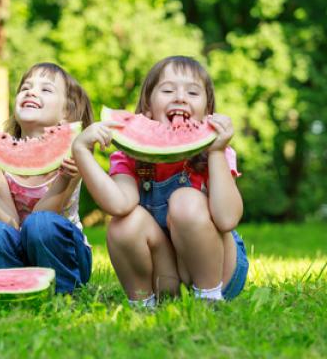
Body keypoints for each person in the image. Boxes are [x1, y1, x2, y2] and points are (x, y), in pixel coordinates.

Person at [72, 56, 248, 309]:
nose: (180, 97)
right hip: (168, 276)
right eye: (167, 90)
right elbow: (119, 204)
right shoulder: (128, 155)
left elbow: (227, 219)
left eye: (192, 92)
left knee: (185, 200)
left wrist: (218, 153)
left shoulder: (214, 151)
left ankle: (209, 299)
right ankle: (143, 304)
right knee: (123, 224)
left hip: (220, 272)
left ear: (208, 111)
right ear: (147, 108)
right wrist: (81, 151)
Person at [0, 62, 94, 294]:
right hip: (20, 252)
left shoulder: (72, 155)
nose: (31, 92)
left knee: (40, 223)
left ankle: (64, 294)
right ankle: (14, 291)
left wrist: (64, 179)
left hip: (67, 255)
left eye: (46, 89)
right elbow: (10, 225)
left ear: (66, 113)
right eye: (25, 87)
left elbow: (40, 219)